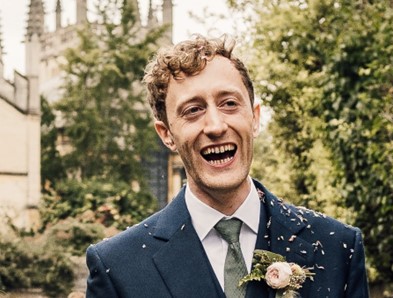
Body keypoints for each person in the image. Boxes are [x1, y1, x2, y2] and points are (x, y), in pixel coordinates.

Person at [85, 35, 369, 298]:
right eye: (193, 110)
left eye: (229, 103)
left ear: (255, 118)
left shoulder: (338, 248)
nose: (216, 126)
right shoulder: (117, 267)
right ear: (166, 134)